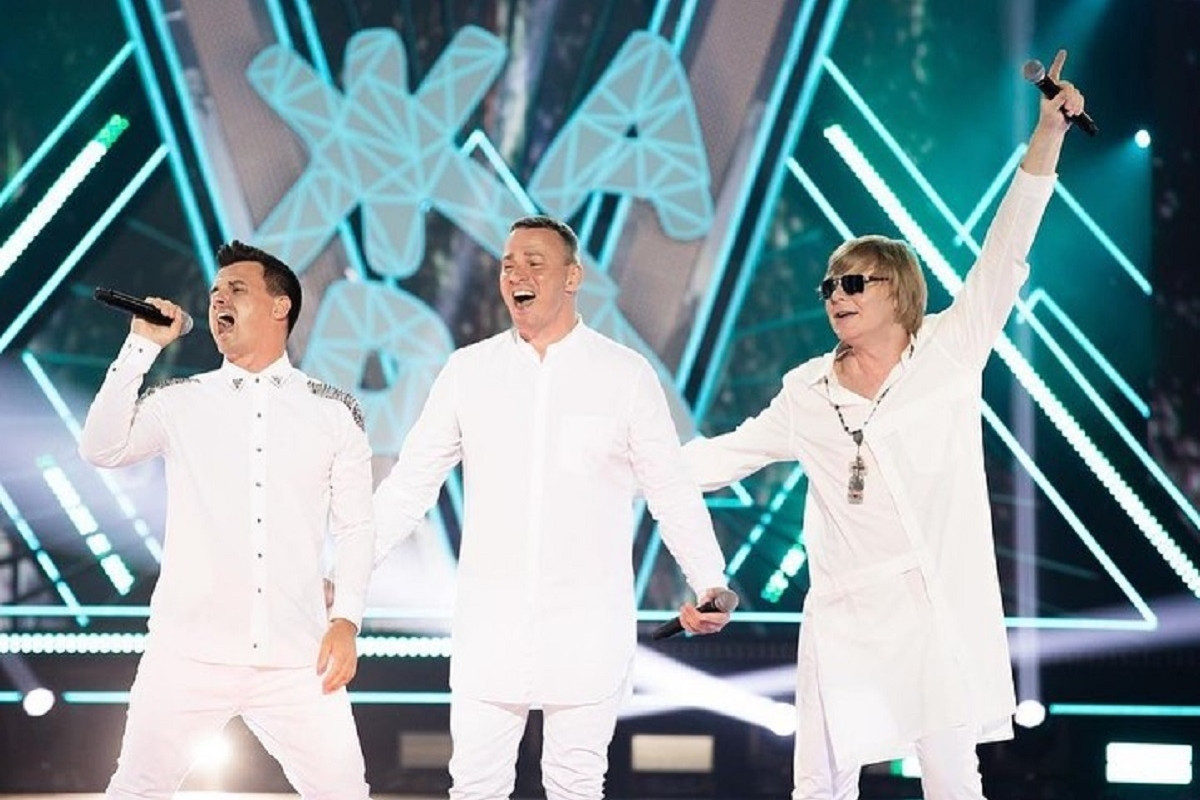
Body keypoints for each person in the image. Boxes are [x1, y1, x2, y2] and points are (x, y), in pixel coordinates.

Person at [681, 50, 1087, 799]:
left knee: (953, 783)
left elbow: (1006, 251)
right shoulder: (806, 392)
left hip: (930, 607)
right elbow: (717, 460)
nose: (835, 294)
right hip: (843, 617)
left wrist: (1048, 135)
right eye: (829, 285)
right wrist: (619, 459)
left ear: (897, 291)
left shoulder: (951, 349)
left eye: (853, 282)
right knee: (819, 785)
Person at [372, 215, 731, 800]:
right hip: (491, 624)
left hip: (588, 627)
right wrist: (349, 568)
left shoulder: (624, 375)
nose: (516, 274)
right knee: (475, 787)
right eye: (507, 265)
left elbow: (670, 488)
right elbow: (410, 484)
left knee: (576, 785)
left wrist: (709, 579)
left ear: (572, 277)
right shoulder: (469, 372)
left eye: (534, 263)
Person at [79, 241, 374, 800]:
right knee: (137, 789)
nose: (219, 301)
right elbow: (101, 447)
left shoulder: (332, 411)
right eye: (214, 293)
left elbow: (357, 527)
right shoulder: (181, 401)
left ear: (281, 306)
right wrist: (140, 347)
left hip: (296, 655)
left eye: (236, 290)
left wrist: (347, 621)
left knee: (343, 792)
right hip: (187, 652)